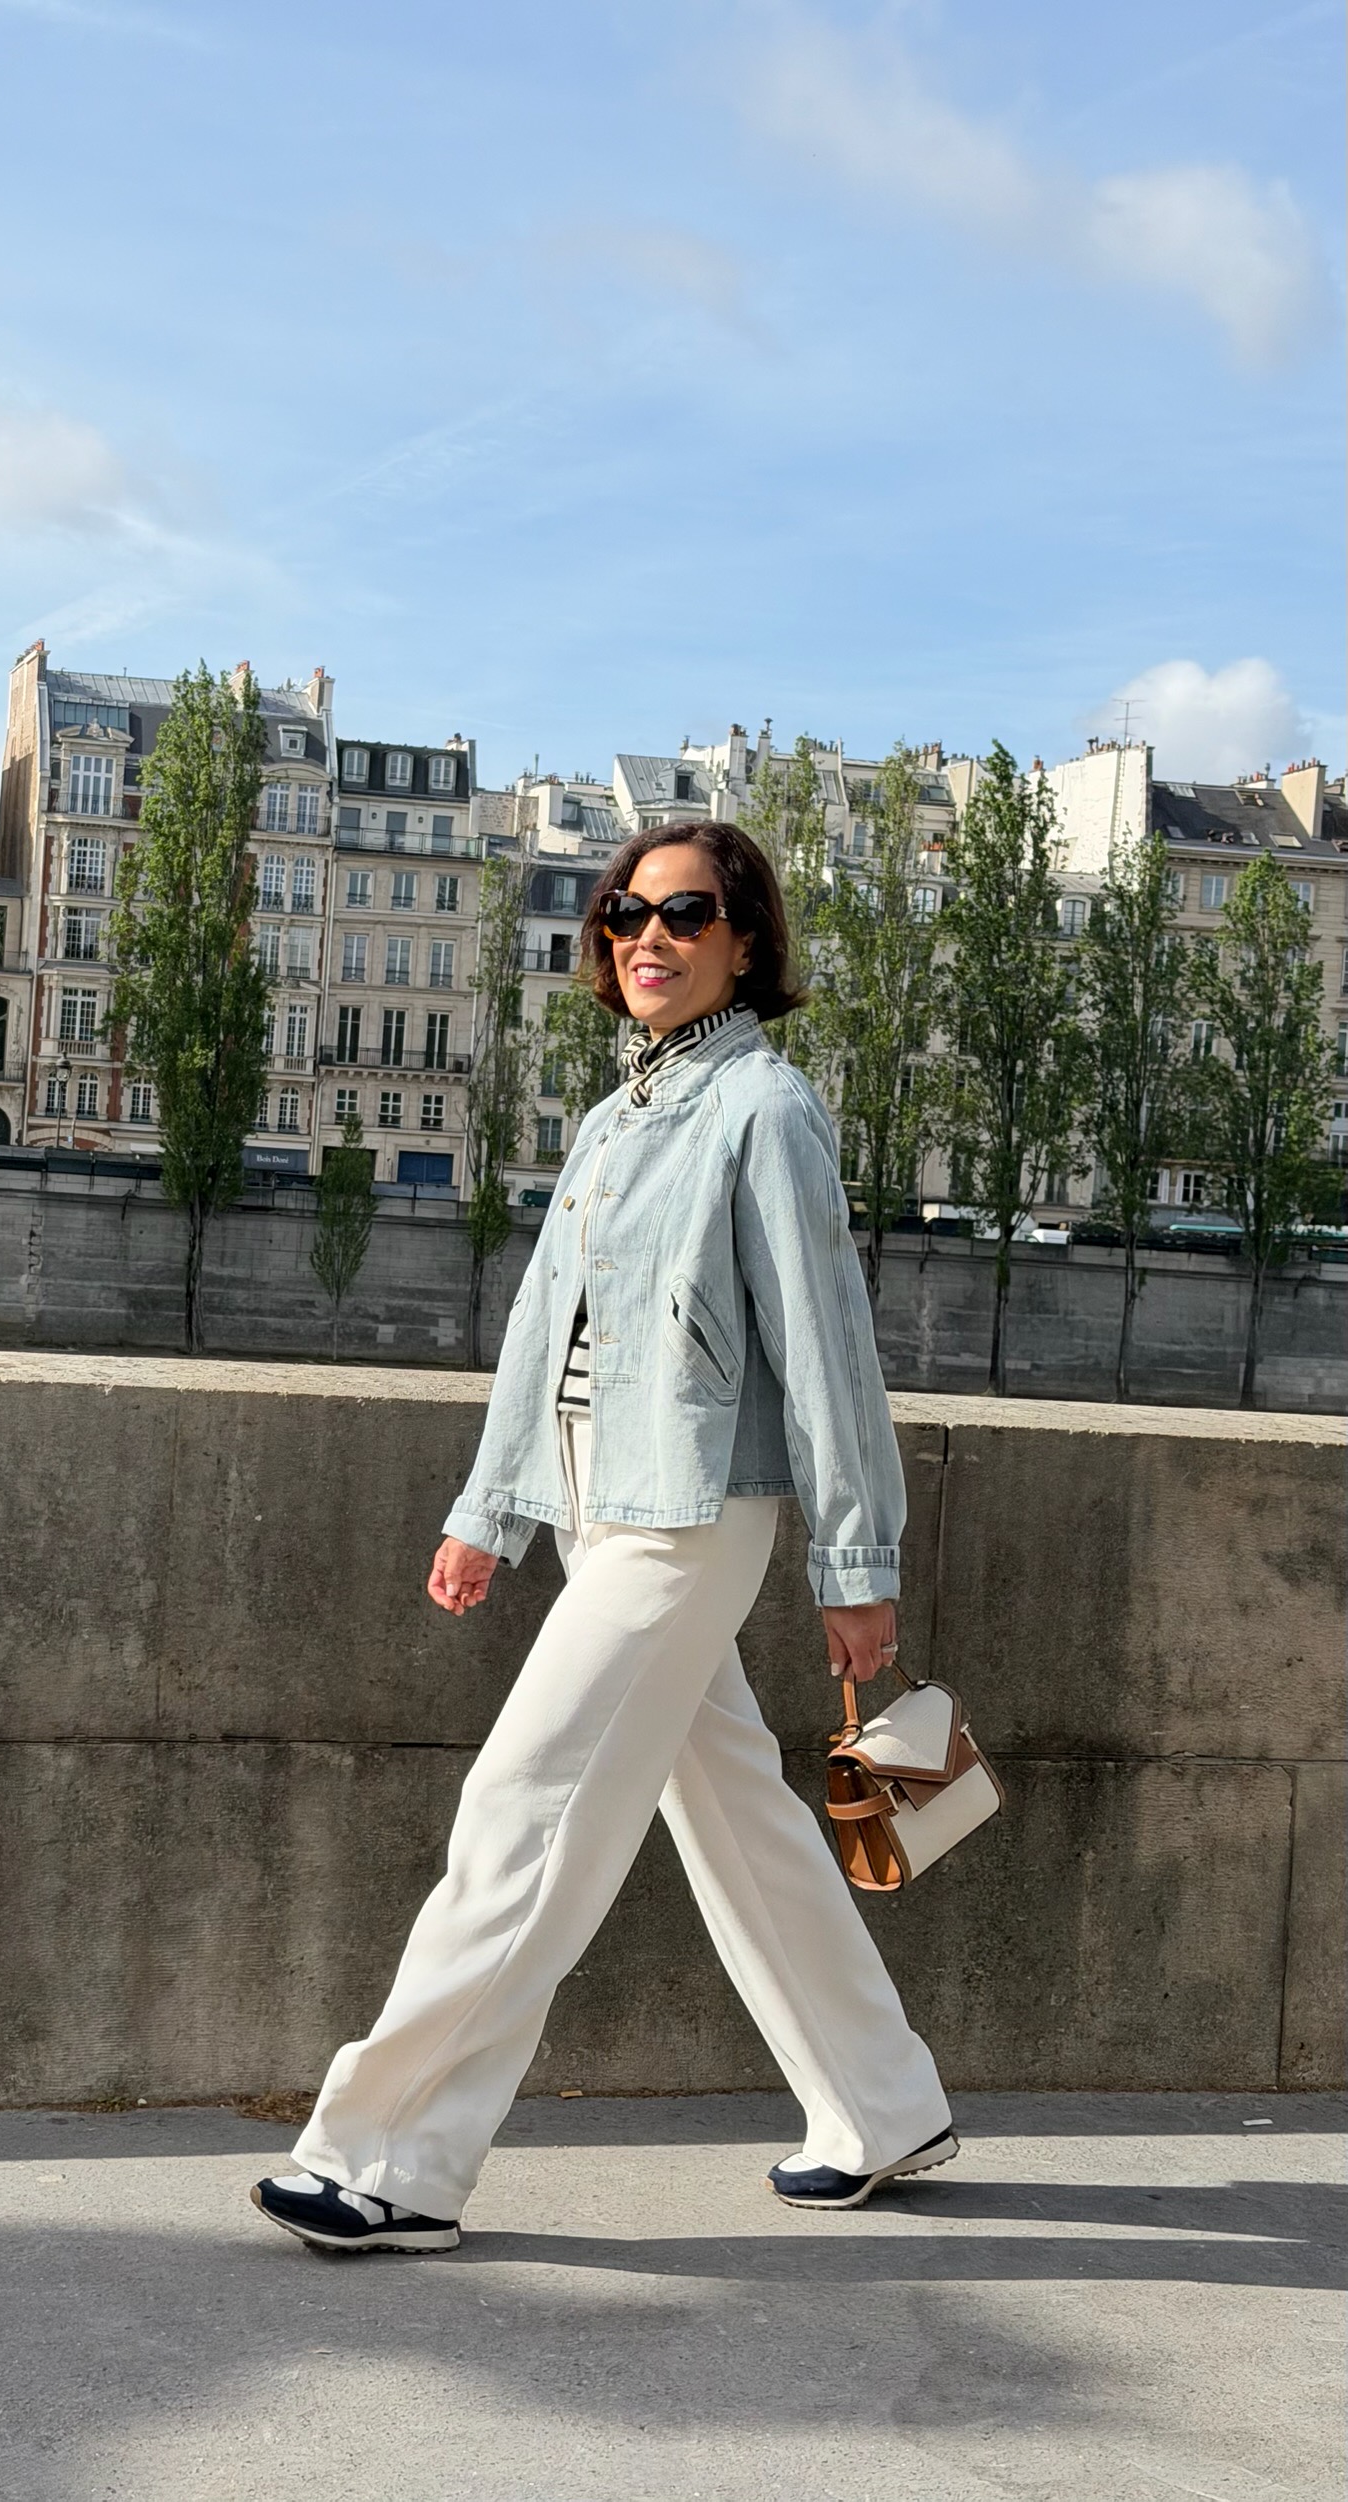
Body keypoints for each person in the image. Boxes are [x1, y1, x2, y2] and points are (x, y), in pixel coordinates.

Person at [252, 818, 954, 2255]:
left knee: (528, 1812)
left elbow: (828, 1352)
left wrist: (857, 1563)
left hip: (684, 1518)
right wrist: (487, 1508)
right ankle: (883, 2105)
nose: (647, 936)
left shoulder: (765, 1107)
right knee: (740, 1820)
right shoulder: (618, 1113)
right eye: (624, 912)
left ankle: (397, 2154)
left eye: (684, 913)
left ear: (745, 941)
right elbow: (540, 1337)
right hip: (593, 1507)